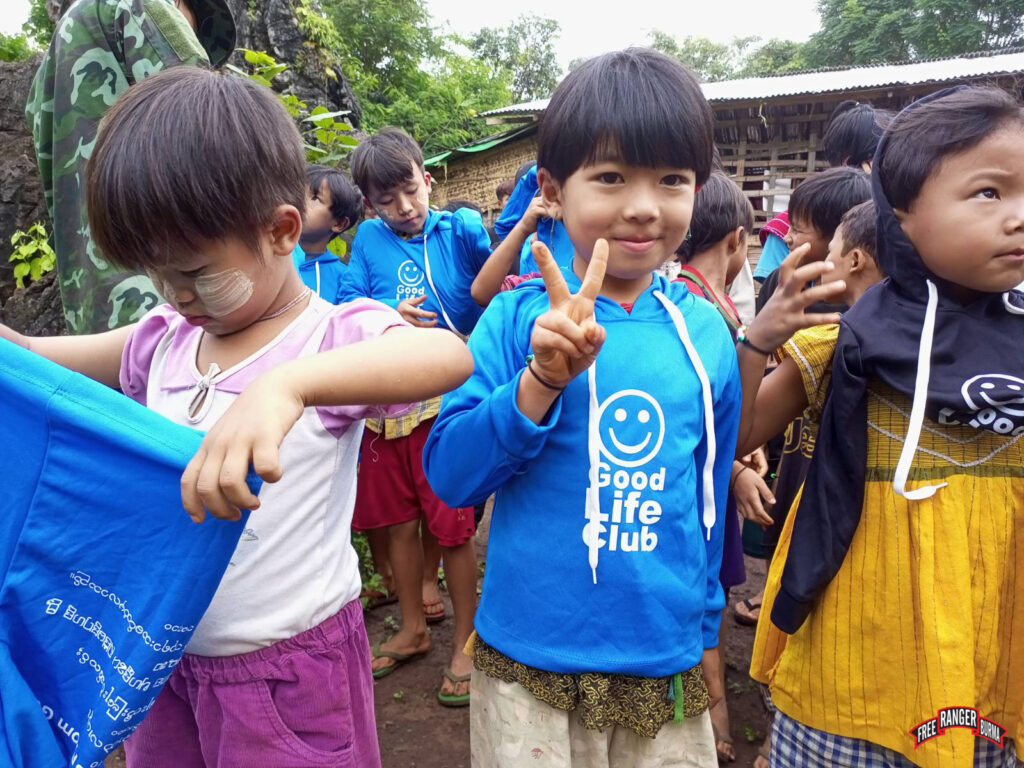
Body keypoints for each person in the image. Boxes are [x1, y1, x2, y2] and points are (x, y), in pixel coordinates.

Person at [3, 66, 473, 767]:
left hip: (290, 669)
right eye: (158, 275)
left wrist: (288, 388)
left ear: (283, 230)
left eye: (195, 273)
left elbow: (445, 357)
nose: (176, 294)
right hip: (161, 661)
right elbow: (32, 356)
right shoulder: (163, 340)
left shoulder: (327, 338)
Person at [424, 48, 826, 766]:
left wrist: (703, 620)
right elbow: (451, 478)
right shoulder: (517, 319)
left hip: (661, 650)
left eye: (671, 180)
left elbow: (705, 481)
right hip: (531, 654)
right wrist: (540, 382)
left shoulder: (704, 329)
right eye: (610, 177)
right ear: (553, 186)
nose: (644, 205)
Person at [745, 87, 1024, 768]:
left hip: (991, 662)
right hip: (857, 669)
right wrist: (756, 342)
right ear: (901, 213)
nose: (1018, 218)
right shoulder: (843, 346)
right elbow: (738, 429)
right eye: (989, 193)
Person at [338, 126, 489, 707]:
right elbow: (346, 303)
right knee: (396, 524)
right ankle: (413, 628)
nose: (403, 208)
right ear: (371, 205)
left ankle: (468, 641)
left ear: (427, 180)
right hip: (385, 411)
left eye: (410, 191)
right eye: (386, 200)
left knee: (451, 528)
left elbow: (497, 281)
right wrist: (384, 310)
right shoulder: (370, 242)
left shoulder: (460, 230)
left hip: (445, 405)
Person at [25, 0, 236, 334]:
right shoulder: (138, 6)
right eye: (193, 27)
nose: (190, 36)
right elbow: (207, 114)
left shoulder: (50, 70)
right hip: (173, 304)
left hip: (94, 317)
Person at [734, 165, 871, 628]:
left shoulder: (840, 333)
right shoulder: (782, 290)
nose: (788, 238)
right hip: (791, 439)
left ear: (850, 252)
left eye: (802, 230)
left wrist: (755, 346)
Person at [675, 172, 773, 764]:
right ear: (737, 241)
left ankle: (710, 711)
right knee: (704, 592)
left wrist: (739, 453)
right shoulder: (697, 310)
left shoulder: (703, 304)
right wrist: (735, 468)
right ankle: (711, 715)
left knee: (712, 589)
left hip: (715, 476)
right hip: (698, 492)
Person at [294, 163, 363, 301]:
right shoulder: (267, 257)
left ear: (339, 223)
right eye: (297, 193)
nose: (299, 202)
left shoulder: (345, 282)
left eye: (315, 198)